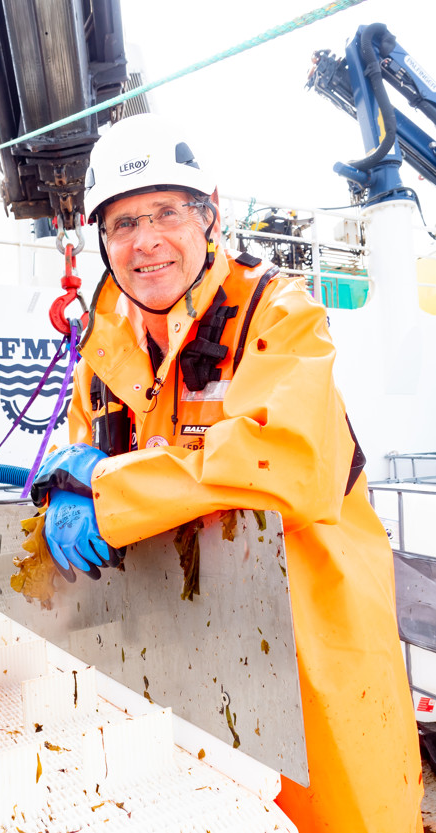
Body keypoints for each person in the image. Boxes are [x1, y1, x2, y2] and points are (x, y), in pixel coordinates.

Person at [30, 113, 423, 832]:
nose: (144, 240)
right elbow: (89, 469)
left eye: (165, 213)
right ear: (101, 240)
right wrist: (62, 487)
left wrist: (108, 490)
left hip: (312, 648)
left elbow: (284, 465)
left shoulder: (278, 313)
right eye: (121, 223)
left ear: (209, 215)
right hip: (181, 648)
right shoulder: (102, 349)